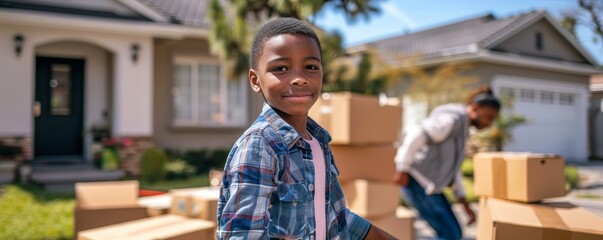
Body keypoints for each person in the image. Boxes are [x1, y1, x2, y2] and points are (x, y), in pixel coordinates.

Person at [217, 18, 396, 240]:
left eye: (310, 67)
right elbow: (242, 236)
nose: (300, 79)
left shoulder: (317, 141)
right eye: (280, 68)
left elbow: (332, 216)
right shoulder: (260, 145)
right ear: (255, 80)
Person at [392, 86, 501, 240]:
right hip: (418, 182)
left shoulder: (463, 129)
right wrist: (402, 168)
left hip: (430, 187)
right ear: (475, 108)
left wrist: (464, 204)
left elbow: (453, 169)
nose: (490, 123)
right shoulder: (453, 120)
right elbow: (418, 133)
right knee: (450, 234)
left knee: (453, 233)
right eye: (489, 117)